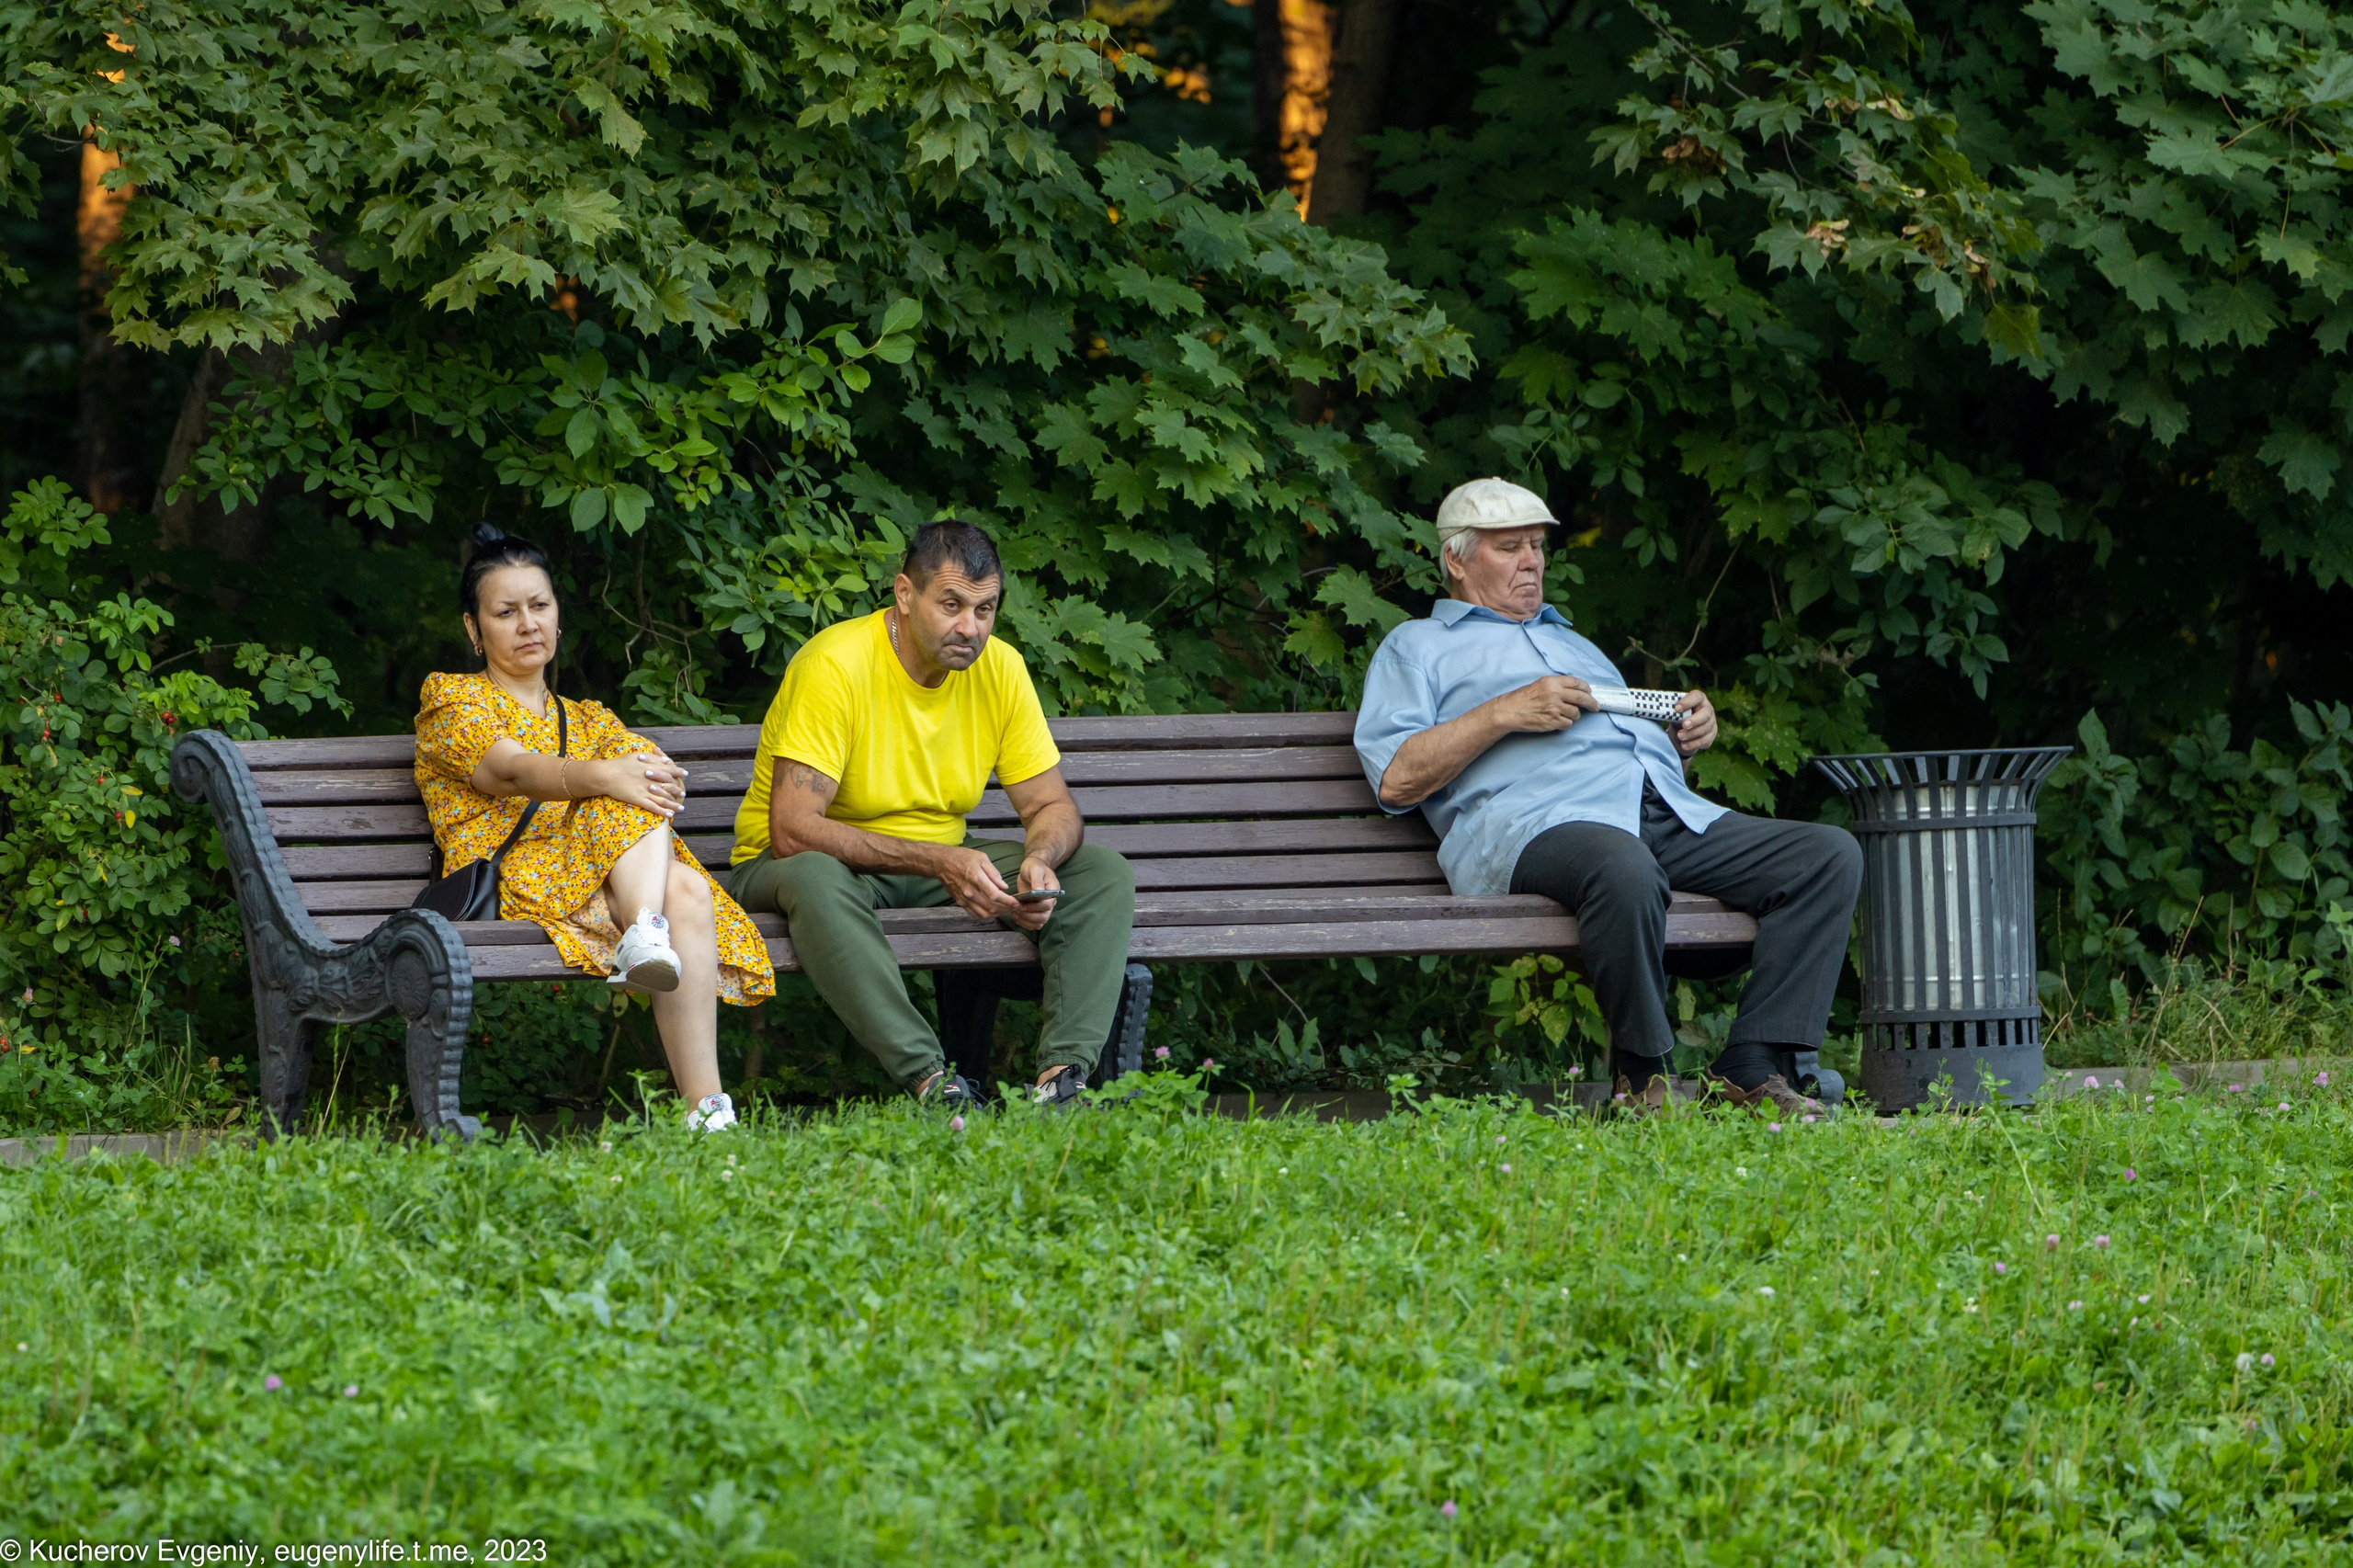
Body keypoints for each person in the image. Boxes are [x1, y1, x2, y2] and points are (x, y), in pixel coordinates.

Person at [1354, 479, 1863, 1118]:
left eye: (1537, 546)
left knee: (1826, 855)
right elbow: (1395, 778)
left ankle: (1753, 1066)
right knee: (1623, 865)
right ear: (1456, 561)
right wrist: (1505, 711)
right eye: (1509, 548)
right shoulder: (1415, 647)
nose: (1532, 562)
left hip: (1655, 811)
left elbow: (1619, 743)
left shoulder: (1576, 646)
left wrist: (1682, 739)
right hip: (1537, 824)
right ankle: (1643, 1079)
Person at [726, 519, 1136, 1110]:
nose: (970, 627)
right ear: (904, 593)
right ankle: (933, 1083)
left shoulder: (1001, 669)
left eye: (985, 609)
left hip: (932, 866)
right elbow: (793, 830)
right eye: (951, 605)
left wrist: (1041, 860)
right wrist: (942, 860)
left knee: (1099, 873)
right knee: (815, 876)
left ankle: (1060, 1082)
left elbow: (1051, 805)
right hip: (803, 865)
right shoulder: (835, 665)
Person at [415, 523, 776, 1131]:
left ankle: (707, 1113)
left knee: (686, 886)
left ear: (558, 617)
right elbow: (510, 771)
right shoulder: (453, 700)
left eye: (540, 606)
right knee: (627, 791)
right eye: (506, 612)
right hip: (514, 876)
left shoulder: (589, 719)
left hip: (599, 877)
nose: (528, 624)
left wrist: (643, 774)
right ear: (474, 630)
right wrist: (609, 775)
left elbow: (654, 778)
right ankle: (645, 933)